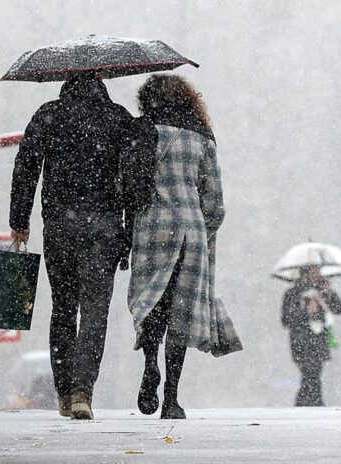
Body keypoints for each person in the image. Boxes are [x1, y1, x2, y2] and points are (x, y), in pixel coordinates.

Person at [9, 74, 137, 420]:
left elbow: (26, 167)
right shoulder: (118, 118)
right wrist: (131, 230)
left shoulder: (49, 114)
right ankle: (83, 391)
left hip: (61, 227)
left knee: (63, 308)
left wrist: (19, 220)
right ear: (101, 85)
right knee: (96, 310)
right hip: (105, 228)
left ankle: (64, 392)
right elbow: (134, 176)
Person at [126, 74, 243, 420]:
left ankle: (150, 364)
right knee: (182, 311)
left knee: (154, 304)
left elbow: (127, 185)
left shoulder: (140, 130)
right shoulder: (202, 136)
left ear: (148, 99)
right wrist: (206, 228)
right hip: (191, 232)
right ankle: (172, 399)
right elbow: (215, 202)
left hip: (150, 228)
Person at [281, 266, 341, 406]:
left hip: (319, 341)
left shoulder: (322, 291)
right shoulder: (293, 293)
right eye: (314, 271)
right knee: (310, 374)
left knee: (314, 374)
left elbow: (339, 308)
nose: (317, 274)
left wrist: (329, 292)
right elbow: (286, 320)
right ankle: (312, 404)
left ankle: (309, 404)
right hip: (301, 342)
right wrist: (306, 312)